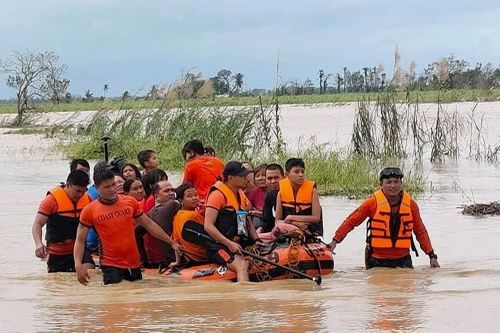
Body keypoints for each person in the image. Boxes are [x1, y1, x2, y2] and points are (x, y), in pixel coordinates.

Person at [74, 167, 181, 285]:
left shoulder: (130, 202)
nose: (112, 189)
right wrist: (78, 265)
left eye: (113, 184)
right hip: (110, 265)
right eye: (106, 187)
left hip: (134, 263)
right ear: (97, 188)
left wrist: (171, 242)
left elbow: (149, 225)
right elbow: (80, 240)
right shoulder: (89, 210)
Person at [328, 167, 440, 269]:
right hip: (377, 260)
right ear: (381, 184)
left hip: (403, 260)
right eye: (389, 182)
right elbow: (351, 221)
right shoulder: (371, 203)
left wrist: (431, 255)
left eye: (396, 182)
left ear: (401, 184)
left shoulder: (411, 205)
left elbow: (420, 231)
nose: (393, 186)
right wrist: (334, 242)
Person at [204, 161, 261, 282]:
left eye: (246, 175)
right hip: (220, 246)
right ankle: (244, 299)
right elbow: (208, 226)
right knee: (242, 266)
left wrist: (256, 239)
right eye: (242, 176)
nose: (246, 179)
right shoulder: (217, 195)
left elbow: (246, 219)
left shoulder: (240, 194)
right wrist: (229, 244)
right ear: (230, 178)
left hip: (239, 242)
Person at [32, 170, 95, 272]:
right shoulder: (51, 201)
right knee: (58, 282)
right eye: (77, 191)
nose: (80, 195)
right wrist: (38, 244)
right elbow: (37, 224)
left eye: (83, 191)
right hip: (57, 252)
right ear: (68, 185)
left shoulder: (88, 200)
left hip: (80, 250)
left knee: (90, 273)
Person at [261, 158, 322, 241]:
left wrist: (291, 217)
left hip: (308, 228)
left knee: (280, 226)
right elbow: (277, 221)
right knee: (278, 226)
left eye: (302, 172)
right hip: (288, 227)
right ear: (287, 174)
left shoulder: (312, 191)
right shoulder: (281, 193)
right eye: (296, 172)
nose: (300, 175)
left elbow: (316, 218)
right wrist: (294, 222)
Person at [136, 180, 178, 267]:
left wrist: (143, 259)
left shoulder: (150, 212)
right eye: (166, 191)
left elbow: (135, 233)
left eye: (172, 190)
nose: (171, 193)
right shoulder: (173, 204)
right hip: (178, 258)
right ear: (156, 196)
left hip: (162, 260)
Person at [182, 140, 224, 208]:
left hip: (202, 204)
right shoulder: (218, 162)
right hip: (221, 201)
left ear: (191, 153)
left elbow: (185, 187)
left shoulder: (190, 166)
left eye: (185, 155)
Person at [171, 183, 208, 263]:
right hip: (203, 256)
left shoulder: (177, 216)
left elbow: (176, 241)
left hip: (189, 257)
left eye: (196, 195)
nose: (194, 198)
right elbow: (211, 230)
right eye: (189, 196)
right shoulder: (193, 215)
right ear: (181, 201)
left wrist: (178, 261)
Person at [259, 163, 284, 233]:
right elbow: (266, 221)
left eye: (276, 178)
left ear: (283, 177)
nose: (273, 181)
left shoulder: (291, 193)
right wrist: (259, 231)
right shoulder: (269, 196)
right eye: (269, 178)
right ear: (266, 180)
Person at [245, 164, 267, 229]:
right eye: (257, 176)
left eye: (263, 175)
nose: (260, 178)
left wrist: (256, 212)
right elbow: (246, 210)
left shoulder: (276, 192)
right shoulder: (252, 192)